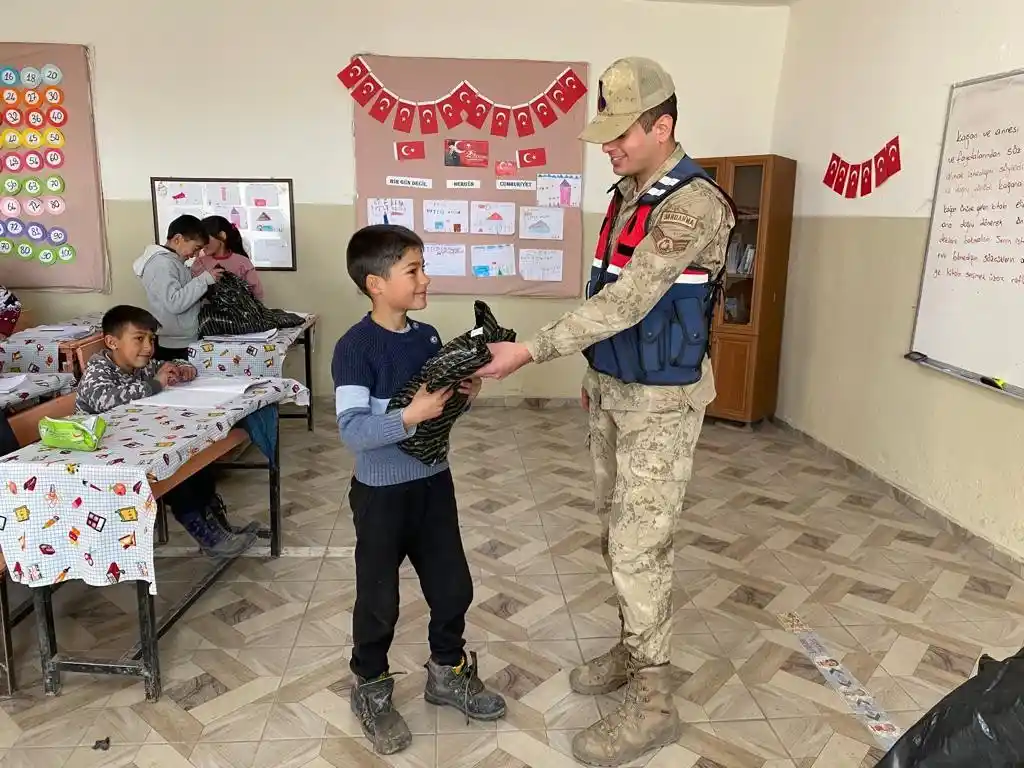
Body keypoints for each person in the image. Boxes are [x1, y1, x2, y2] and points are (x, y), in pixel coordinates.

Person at [476, 57, 737, 767]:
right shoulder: (630, 194)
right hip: (615, 392)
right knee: (613, 533)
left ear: (665, 126)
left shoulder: (694, 204)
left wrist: (531, 351)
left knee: (638, 543)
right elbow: (608, 299)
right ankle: (632, 646)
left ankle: (655, 700)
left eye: (623, 134)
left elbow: (629, 302)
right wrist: (593, 373)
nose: (610, 147)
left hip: (661, 403)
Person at [332, 224, 506, 755]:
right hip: (381, 494)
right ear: (375, 283)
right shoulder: (355, 348)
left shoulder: (427, 338)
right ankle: (371, 686)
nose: (426, 278)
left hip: (434, 484)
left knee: (454, 587)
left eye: (422, 266)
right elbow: (352, 432)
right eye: (413, 270)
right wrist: (409, 414)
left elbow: (438, 416)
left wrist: (463, 395)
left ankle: (446, 673)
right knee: (379, 601)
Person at [77, 305, 258, 558]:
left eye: (151, 339)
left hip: (134, 446)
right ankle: (207, 535)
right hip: (102, 458)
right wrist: (156, 384)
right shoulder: (99, 370)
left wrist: (182, 369)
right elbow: (106, 400)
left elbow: (170, 365)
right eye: (139, 339)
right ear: (111, 342)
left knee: (195, 460)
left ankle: (217, 526)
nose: (148, 347)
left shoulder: (140, 366)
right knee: (174, 470)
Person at [133, 214, 225, 361]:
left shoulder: (174, 262)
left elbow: (182, 293)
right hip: (174, 345)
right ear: (178, 239)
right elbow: (174, 303)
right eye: (195, 249)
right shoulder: (161, 264)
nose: (195, 255)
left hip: (183, 339)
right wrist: (204, 280)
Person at [193, 215, 265, 300]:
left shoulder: (243, 263)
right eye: (199, 239)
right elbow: (191, 291)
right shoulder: (199, 262)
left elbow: (257, 294)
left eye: (205, 238)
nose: (202, 243)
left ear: (222, 235)